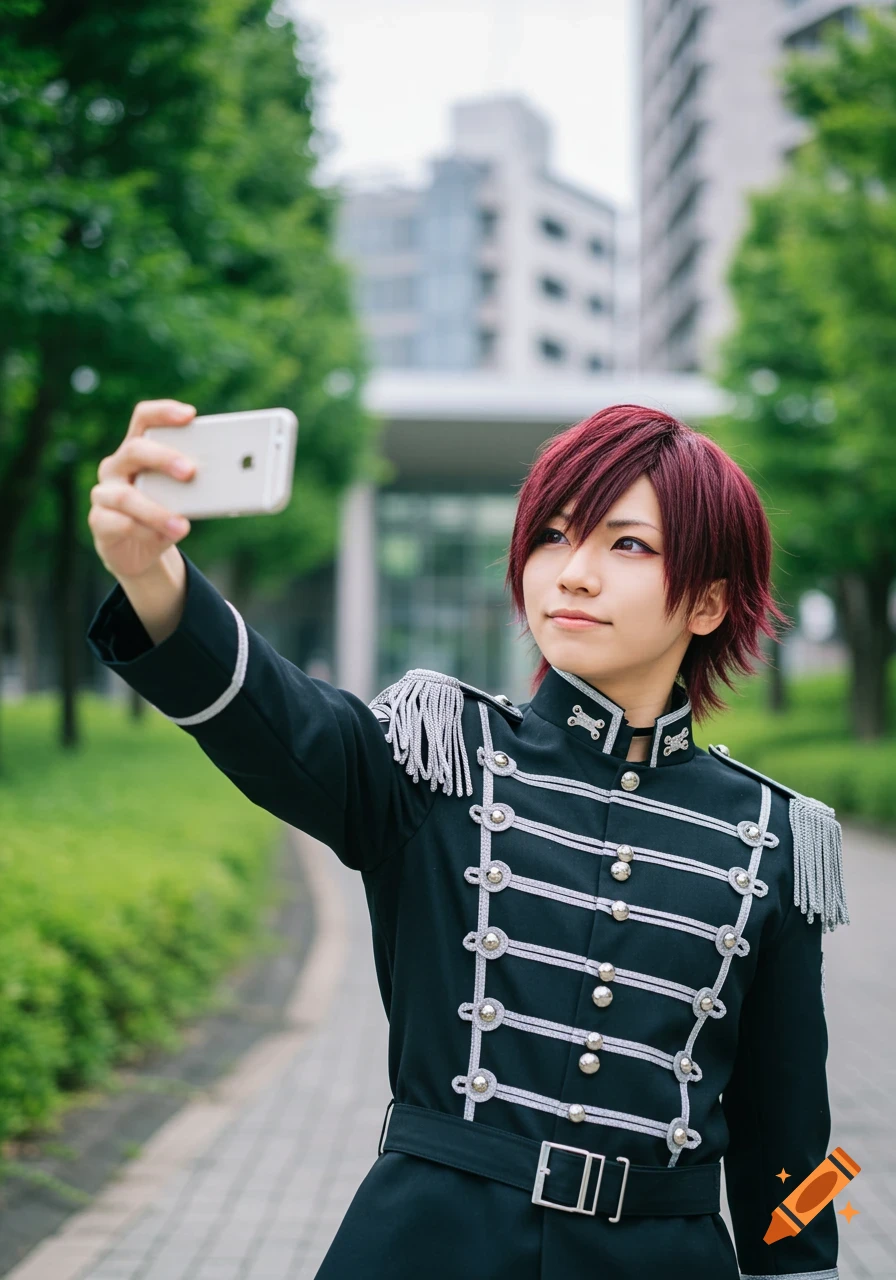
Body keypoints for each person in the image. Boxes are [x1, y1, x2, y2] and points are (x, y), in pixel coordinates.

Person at [86, 399, 849, 1280]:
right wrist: (154, 577)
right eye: (554, 536)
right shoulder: (440, 754)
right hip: (431, 1245)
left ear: (711, 601)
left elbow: (800, 1136)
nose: (573, 574)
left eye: (627, 544)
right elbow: (283, 722)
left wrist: (813, 1264)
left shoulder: (775, 837)